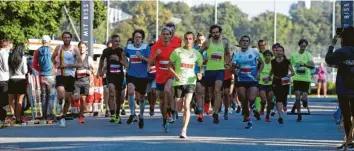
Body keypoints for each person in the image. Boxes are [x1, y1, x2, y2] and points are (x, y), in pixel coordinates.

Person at [168, 31, 203, 138]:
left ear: (193, 40)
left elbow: (201, 65)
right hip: (179, 82)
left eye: (190, 39)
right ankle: (177, 109)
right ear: (184, 40)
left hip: (190, 81)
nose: (188, 41)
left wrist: (200, 73)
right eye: (186, 39)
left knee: (186, 106)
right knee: (179, 108)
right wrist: (175, 75)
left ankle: (184, 130)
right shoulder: (177, 51)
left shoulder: (196, 53)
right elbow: (169, 65)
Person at [325, 26, 354, 150]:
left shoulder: (341, 52)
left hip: (343, 88)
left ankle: (349, 139)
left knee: (346, 116)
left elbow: (328, 59)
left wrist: (332, 44)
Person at [52, 32, 83, 127]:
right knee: (61, 95)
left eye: (68, 37)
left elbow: (80, 64)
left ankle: (63, 117)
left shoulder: (75, 49)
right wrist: (55, 63)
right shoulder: (58, 48)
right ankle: (59, 103)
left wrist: (68, 65)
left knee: (68, 99)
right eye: (65, 37)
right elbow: (52, 57)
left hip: (70, 76)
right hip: (60, 75)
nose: (66, 39)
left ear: (71, 38)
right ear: (62, 38)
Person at [232, 35, 263, 129]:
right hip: (241, 80)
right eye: (243, 41)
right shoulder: (237, 54)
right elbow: (233, 66)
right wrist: (235, 71)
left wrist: (258, 72)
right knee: (243, 100)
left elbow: (262, 63)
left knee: (251, 98)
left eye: (246, 41)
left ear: (249, 43)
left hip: (252, 79)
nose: (245, 42)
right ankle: (247, 116)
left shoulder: (254, 52)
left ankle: (251, 109)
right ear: (240, 43)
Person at [200, 25, 229, 124]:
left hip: (220, 70)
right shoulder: (207, 42)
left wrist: (227, 62)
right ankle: (214, 106)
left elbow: (227, 53)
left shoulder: (224, 42)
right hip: (209, 71)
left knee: (218, 91)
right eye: (213, 32)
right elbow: (199, 53)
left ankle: (216, 113)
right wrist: (203, 60)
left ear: (220, 32)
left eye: (217, 32)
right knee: (211, 94)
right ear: (211, 33)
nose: (215, 34)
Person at [149, 26, 175, 132]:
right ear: (161, 35)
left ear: (170, 36)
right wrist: (155, 55)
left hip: (170, 74)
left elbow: (178, 62)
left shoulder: (174, 48)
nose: (165, 36)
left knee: (167, 90)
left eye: (167, 34)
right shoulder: (155, 47)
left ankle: (171, 110)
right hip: (159, 76)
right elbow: (150, 63)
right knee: (162, 100)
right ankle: (165, 120)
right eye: (163, 34)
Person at [123, 29, 151, 128]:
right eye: (136, 37)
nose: (137, 39)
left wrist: (141, 57)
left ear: (142, 39)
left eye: (139, 37)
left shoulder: (146, 47)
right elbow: (123, 54)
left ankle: (141, 116)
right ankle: (132, 114)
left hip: (142, 76)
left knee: (141, 98)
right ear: (133, 38)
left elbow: (150, 61)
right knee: (130, 91)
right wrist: (125, 63)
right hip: (131, 74)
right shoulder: (129, 47)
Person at [97, 34, 126, 124]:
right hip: (110, 75)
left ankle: (117, 112)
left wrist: (119, 60)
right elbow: (101, 60)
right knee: (112, 93)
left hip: (120, 76)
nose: (117, 43)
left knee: (120, 98)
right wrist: (100, 70)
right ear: (112, 41)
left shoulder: (122, 51)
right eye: (115, 41)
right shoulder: (106, 51)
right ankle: (113, 115)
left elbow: (125, 63)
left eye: (118, 41)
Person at [32, 35, 56, 121]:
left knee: (44, 96)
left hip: (42, 76)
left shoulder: (37, 51)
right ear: (49, 41)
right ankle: (50, 115)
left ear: (42, 41)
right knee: (51, 96)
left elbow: (34, 65)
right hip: (51, 76)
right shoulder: (52, 50)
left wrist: (40, 71)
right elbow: (57, 62)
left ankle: (44, 116)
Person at [290, 39, 314, 122]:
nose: (303, 48)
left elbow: (312, 65)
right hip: (297, 78)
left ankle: (305, 101)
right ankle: (299, 114)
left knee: (303, 97)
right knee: (297, 97)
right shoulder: (293, 55)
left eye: (305, 46)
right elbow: (289, 64)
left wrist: (304, 64)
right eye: (302, 46)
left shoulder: (308, 55)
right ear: (299, 45)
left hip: (306, 79)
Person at [269, 46, 294, 124]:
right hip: (276, 81)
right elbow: (272, 71)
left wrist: (289, 75)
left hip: (284, 81)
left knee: (282, 97)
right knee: (278, 99)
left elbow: (293, 72)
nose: (279, 52)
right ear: (275, 52)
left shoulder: (287, 61)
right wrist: (269, 77)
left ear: (283, 52)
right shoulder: (272, 61)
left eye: (280, 51)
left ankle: (283, 106)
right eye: (277, 51)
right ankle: (280, 116)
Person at [72, 41, 94, 124]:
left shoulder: (89, 58)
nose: (82, 49)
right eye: (80, 47)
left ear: (86, 48)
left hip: (85, 82)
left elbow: (93, 69)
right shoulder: (74, 58)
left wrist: (89, 71)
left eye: (83, 47)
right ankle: (76, 110)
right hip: (76, 82)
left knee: (83, 100)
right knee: (76, 98)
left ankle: (80, 117)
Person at [8, 43, 28, 124]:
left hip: (12, 80)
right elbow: (25, 71)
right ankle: (18, 119)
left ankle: (13, 115)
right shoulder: (23, 58)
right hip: (21, 80)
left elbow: (8, 70)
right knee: (19, 101)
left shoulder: (10, 57)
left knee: (10, 100)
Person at [193, 32, 206, 122]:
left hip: (205, 73)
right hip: (195, 72)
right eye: (199, 40)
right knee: (197, 92)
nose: (200, 42)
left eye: (202, 40)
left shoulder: (207, 49)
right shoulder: (194, 49)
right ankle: (198, 108)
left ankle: (200, 111)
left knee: (202, 93)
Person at [0, 40, 10, 123]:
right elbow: (6, 68)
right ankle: (3, 117)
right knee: (4, 99)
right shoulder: (4, 54)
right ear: (6, 46)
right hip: (4, 78)